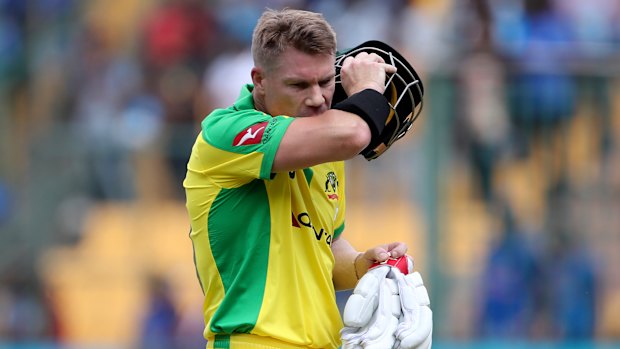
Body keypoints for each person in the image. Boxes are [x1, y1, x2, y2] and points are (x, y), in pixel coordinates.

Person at [184, 8, 415, 349]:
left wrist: (361, 264)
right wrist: (369, 90)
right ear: (259, 80)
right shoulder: (224, 132)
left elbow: (326, 245)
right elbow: (354, 134)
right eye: (299, 85)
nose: (318, 98)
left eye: (325, 81)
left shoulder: (327, 149)